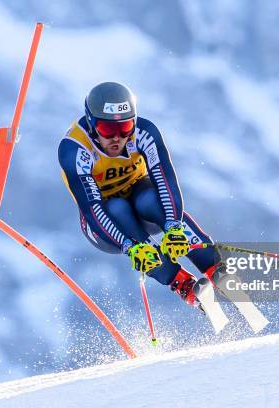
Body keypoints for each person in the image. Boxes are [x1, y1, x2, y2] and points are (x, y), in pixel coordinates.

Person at [58, 82, 222, 308]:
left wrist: (174, 227)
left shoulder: (145, 132)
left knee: (150, 200)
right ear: (91, 124)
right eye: (107, 130)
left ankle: (216, 267)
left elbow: (165, 180)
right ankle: (180, 282)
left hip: (140, 201)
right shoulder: (74, 149)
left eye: (125, 128)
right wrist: (129, 246)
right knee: (117, 208)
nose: (117, 138)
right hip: (104, 225)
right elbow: (92, 208)